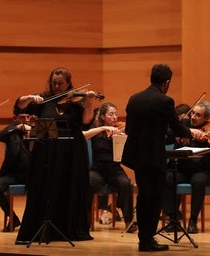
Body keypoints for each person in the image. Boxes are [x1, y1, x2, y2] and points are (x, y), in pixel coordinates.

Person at [121, 64, 204, 252]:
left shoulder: (134, 99)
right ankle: (148, 240)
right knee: (155, 198)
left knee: (143, 196)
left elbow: (129, 130)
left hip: (137, 157)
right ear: (166, 83)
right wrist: (190, 131)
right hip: (154, 157)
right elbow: (176, 128)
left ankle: (143, 239)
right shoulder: (165, 101)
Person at [14, 67, 96, 244]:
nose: (57, 86)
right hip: (47, 154)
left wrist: (89, 102)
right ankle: (44, 227)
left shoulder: (76, 102)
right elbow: (18, 106)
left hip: (72, 154)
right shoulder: (43, 100)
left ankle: (67, 228)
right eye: (54, 83)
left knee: (68, 188)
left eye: (60, 83)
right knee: (46, 189)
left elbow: (86, 123)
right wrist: (29, 98)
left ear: (68, 84)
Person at [83, 102, 136, 232]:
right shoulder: (96, 131)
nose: (115, 117)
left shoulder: (119, 131)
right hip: (98, 170)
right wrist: (103, 128)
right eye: (111, 114)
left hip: (114, 170)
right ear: (102, 117)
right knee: (87, 183)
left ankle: (128, 221)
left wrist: (124, 139)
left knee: (126, 183)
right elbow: (83, 135)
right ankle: (85, 221)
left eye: (116, 114)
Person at [163, 101, 210, 234]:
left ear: (207, 118)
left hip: (202, 170)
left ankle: (193, 221)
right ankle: (173, 219)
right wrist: (185, 132)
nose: (193, 117)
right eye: (193, 113)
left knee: (198, 181)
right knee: (166, 177)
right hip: (183, 169)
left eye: (198, 115)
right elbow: (167, 138)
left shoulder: (207, 131)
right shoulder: (183, 126)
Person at [0, 108, 32, 232]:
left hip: (32, 173)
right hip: (13, 173)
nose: (25, 120)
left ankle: (34, 222)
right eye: (22, 117)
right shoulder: (11, 133)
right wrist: (17, 128)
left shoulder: (38, 131)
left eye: (27, 117)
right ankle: (13, 217)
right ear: (15, 119)